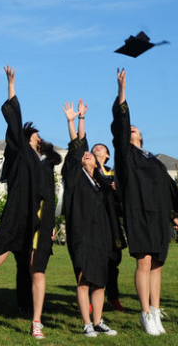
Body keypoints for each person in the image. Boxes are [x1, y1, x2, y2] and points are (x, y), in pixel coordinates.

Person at [112, 69, 178, 335]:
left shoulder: (154, 161)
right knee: (143, 261)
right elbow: (121, 125)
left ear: (142, 135)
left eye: (135, 128)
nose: (132, 128)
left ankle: (156, 311)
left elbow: (167, 188)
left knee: (157, 263)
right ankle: (144, 313)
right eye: (129, 127)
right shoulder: (125, 155)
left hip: (157, 214)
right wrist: (122, 91)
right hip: (137, 212)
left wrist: (173, 215)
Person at [0, 66, 59, 339]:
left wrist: (51, 223)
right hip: (17, 214)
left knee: (36, 271)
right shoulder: (19, 153)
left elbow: (51, 198)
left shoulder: (46, 165)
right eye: (35, 137)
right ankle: (12, 244)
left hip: (40, 220)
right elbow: (14, 123)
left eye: (40, 139)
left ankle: (36, 321)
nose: (39, 140)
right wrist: (11, 84)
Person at [61, 100, 118, 337]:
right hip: (82, 236)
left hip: (101, 237)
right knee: (84, 280)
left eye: (90, 154)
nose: (87, 154)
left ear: (98, 162)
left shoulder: (103, 183)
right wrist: (75, 121)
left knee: (100, 282)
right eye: (85, 154)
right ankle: (86, 323)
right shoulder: (74, 178)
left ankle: (98, 321)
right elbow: (77, 147)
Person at [91, 143, 126, 313]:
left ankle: (113, 298)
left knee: (113, 263)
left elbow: (123, 200)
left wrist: (118, 189)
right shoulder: (87, 172)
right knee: (93, 263)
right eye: (94, 147)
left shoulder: (114, 174)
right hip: (94, 224)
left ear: (107, 155)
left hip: (112, 225)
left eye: (100, 148)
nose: (96, 149)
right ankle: (92, 300)